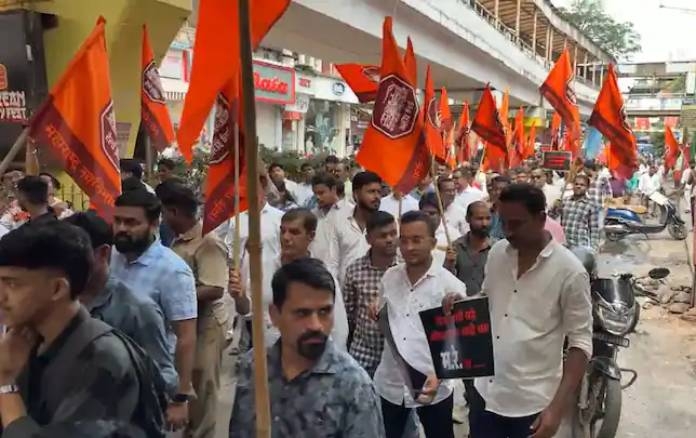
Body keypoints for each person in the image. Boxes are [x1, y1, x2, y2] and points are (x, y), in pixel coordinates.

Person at [455, 183, 592, 438]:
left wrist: (557, 408)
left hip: (532, 405)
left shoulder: (570, 272)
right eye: (503, 222)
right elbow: (488, 298)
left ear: (541, 219)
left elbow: (580, 343)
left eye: (516, 224)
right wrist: (461, 303)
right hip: (485, 394)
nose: (508, 231)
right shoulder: (497, 253)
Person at [0, 222, 159, 436]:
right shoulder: (25, 340)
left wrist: (6, 385)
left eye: (12, 284)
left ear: (57, 289)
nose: (1, 296)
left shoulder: (103, 359)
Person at [229, 258, 385, 437]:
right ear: (275, 315)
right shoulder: (254, 367)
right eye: (302, 313)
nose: (315, 325)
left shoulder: (354, 387)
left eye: (324, 312)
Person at [109, 189, 197, 431]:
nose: (122, 228)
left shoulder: (173, 271)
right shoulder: (112, 256)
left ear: (154, 224)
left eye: (131, 222)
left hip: (150, 385)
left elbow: (186, 337)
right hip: (110, 379)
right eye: (118, 221)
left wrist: (180, 397)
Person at [374, 211, 466, 438]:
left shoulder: (450, 286)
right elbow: (385, 323)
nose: (409, 247)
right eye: (404, 240)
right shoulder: (389, 277)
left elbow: (459, 344)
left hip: (432, 384)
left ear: (433, 243)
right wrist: (377, 313)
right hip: (391, 382)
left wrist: (441, 375)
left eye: (417, 240)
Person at [65, 212, 177, 395]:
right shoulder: (54, 302)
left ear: (103, 253)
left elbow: (165, 377)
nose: (65, 266)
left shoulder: (138, 310)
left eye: (74, 257)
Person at [158, 181, 230, 438]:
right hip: (185, 326)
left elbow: (214, 288)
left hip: (206, 327)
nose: (161, 218)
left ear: (174, 211)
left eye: (163, 212)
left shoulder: (207, 242)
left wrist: (173, 299)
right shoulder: (177, 240)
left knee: (201, 394)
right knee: (185, 388)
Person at [230, 208, 349, 349]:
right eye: (283, 231)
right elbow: (247, 311)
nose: (286, 237)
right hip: (267, 354)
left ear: (311, 236)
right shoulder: (262, 268)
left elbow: (339, 330)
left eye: (294, 232)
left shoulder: (324, 276)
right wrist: (239, 297)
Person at [343, 211, 398, 377]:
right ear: (369, 239)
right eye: (383, 236)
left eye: (393, 233)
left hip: (397, 358)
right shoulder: (355, 270)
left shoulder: (405, 268)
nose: (390, 239)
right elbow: (348, 314)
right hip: (363, 355)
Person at [318, 171, 383, 282]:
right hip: (344, 289)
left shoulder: (386, 224)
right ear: (356, 195)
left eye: (379, 192)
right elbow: (331, 262)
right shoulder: (338, 220)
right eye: (371, 192)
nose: (377, 196)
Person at [445, 200, 491, 296]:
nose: (484, 223)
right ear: (467, 219)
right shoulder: (455, 247)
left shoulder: (497, 248)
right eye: (479, 219)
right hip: (463, 302)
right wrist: (449, 264)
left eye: (488, 218)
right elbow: (446, 281)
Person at [551, 174, 600, 251]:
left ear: (587, 187)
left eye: (582, 185)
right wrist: (554, 207)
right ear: (572, 185)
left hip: (580, 246)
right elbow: (551, 217)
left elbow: (594, 229)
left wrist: (594, 248)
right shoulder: (565, 201)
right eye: (576, 184)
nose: (578, 186)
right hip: (564, 244)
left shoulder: (591, 205)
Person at [419, 192, 461, 267]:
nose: (427, 217)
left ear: (441, 213)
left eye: (432, 213)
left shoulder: (453, 235)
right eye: (424, 213)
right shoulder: (414, 233)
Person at [487, 175, 512, 240]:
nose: (498, 192)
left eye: (502, 189)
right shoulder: (487, 211)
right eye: (495, 189)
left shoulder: (514, 214)